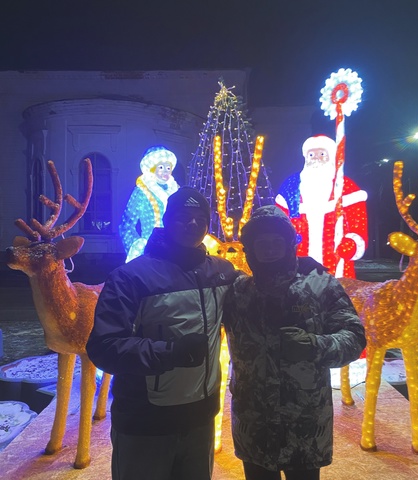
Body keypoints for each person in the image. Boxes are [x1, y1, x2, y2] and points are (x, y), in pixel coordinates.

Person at [86, 186, 238, 480]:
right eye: (183, 217)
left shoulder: (221, 273)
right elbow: (104, 346)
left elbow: (258, 297)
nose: (192, 224)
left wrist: (295, 268)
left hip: (200, 419)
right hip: (145, 423)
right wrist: (170, 352)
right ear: (167, 221)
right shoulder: (130, 277)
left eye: (200, 219)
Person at [222, 205, 366, 480]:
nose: (269, 249)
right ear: (250, 249)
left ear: (289, 245)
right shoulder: (238, 292)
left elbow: (354, 337)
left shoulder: (320, 285)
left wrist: (315, 346)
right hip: (255, 425)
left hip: (304, 425)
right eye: (262, 243)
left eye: (276, 242)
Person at [275, 135, 368, 278]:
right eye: (311, 154)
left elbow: (358, 220)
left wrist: (352, 242)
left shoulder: (345, 187)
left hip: (335, 257)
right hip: (299, 257)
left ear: (330, 156)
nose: (316, 158)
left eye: (322, 154)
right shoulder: (291, 187)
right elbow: (279, 220)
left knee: (337, 287)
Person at [119, 145, 180, 262]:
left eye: (168, 168)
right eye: (161, 167)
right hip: (151, 252)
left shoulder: (177, 191)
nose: (165, 171)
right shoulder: (142, 191)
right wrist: (137, 246)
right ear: (152, 169)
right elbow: (126, 225)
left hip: (175, 251)